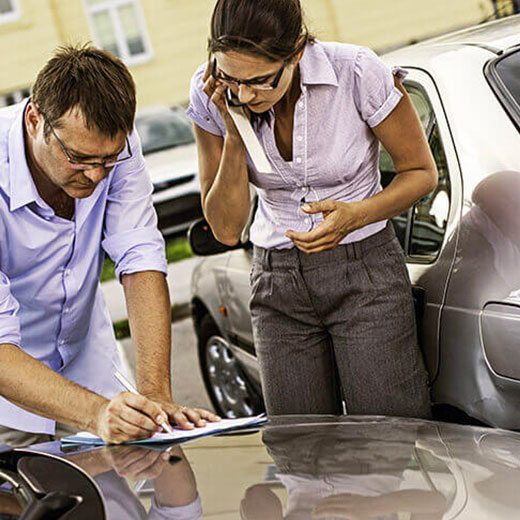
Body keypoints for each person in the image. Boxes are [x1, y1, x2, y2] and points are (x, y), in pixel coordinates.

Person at [186, 0, 437, 417]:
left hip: (365, 274)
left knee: (392, 437)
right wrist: (234, 132)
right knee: (302, 447)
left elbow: (421, 173)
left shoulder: (356, 71)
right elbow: (226, 229)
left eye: (261, 80)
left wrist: (358, 214)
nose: (244, 94)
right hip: (277, 284)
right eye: (230, 79)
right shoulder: (211, 93)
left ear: (297, 51)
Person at [0, 44, 219, 448]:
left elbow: (140, 258)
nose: (97, 176)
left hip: (91, 371)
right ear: (35, 120)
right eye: (79, 158)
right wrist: (96, 413)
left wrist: (155, 395)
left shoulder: (114, 147)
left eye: (109, 159)